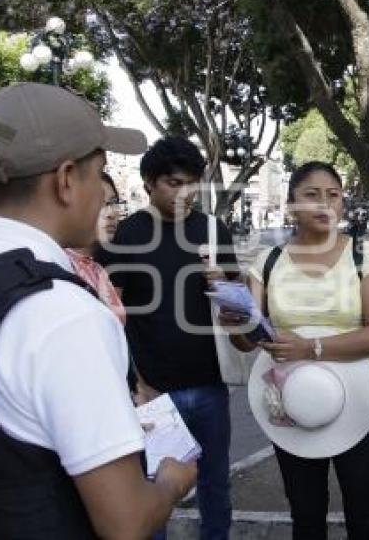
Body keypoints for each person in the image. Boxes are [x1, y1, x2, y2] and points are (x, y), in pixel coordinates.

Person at [0, 83, 197, 538]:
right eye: (99, 173)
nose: (105, 195)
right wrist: (170, 481)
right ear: (66, 180)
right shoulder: (61, 313)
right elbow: (125, 521)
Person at [228, 161, 369, 540]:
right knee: (305, 517)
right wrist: (234, 319)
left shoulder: (362, 254)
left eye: (334, 195)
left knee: (366, 520)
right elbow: (248, 339)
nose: (325, 204)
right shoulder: (267, 262)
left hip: (361, 397)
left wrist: (310, 347)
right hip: (290, 399)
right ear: (291, 206)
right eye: (312, 195)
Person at [96, 136, 236, 539]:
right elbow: (110, 318)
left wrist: (223, 282)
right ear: (149, 185)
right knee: (152, 490)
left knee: (215, 486)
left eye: (192, 183)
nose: (185, 192)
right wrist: (134, 384)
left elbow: (239, 308)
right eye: (174, 183)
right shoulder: (127, 235)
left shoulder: (213, 230)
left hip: (210, 387)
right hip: (153, 395)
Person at [65, 171, 126, 324]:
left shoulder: (97, 270)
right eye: (101, 204)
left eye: (113, 202)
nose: (111, 213)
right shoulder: (61, 267)